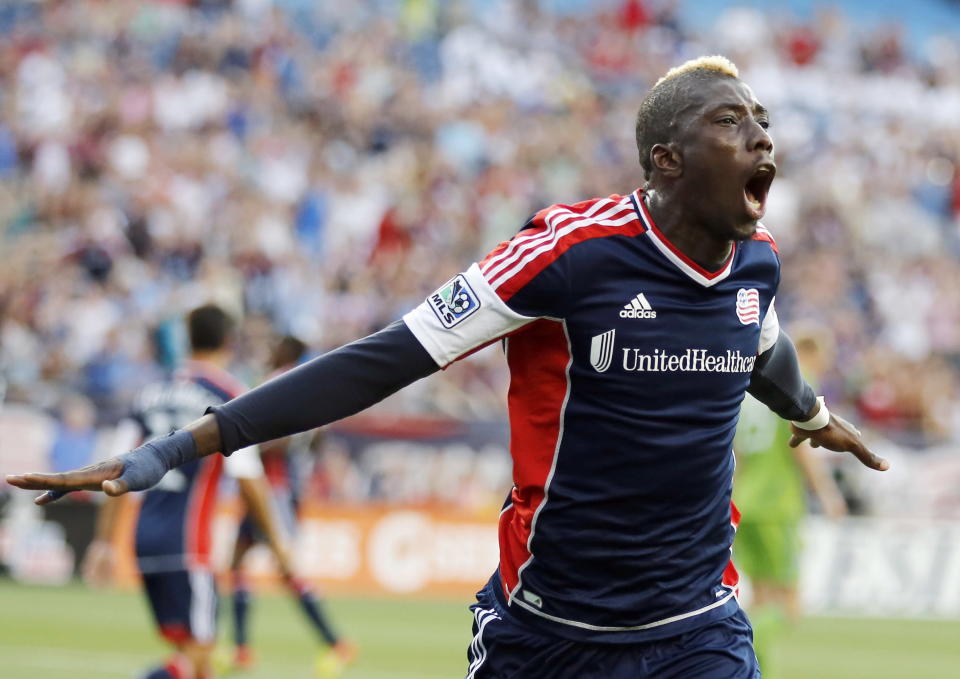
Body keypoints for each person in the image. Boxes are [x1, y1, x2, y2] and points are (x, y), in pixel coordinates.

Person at [7, 56, 889, 679]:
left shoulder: (758, 260)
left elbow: (762, 341)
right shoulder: (569, 255)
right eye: (732, 121)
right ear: (665, 159)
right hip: (549, 632)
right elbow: (382, 360)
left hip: (699, 625)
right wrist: (178, 446)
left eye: (764, 120)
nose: (763, 138)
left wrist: (813, 415)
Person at [79, 304, 296, 679]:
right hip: (189, 542)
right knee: (198, 662)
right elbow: (248, 479)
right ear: (229, 341)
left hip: (144, 539)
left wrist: (103, 541)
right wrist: (279, 545)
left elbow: (116, 467)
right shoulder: (229, 395)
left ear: (188, 338)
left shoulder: (150, 393)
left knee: (189, 659)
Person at [228, 335, 355, 673]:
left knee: (286, 569)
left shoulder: (282, 381)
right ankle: (241, 649)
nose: (270, 351)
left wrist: (247, 444)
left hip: (272, 488)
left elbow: (279, 437)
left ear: (286, 352)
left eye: (276, 347)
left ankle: (335, 644)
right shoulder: (313, 387)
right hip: (280, 485)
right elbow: (316, 438)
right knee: (236, 561)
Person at [733, 326, 848, 678]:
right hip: (778, 505)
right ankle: (736, 648)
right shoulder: (800, 383)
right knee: (788, 604)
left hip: (744, 502)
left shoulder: (758, 390)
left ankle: (754, 670)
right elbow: (806, 450)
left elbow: (738, 448)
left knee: (761, 597)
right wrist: (829, 495)